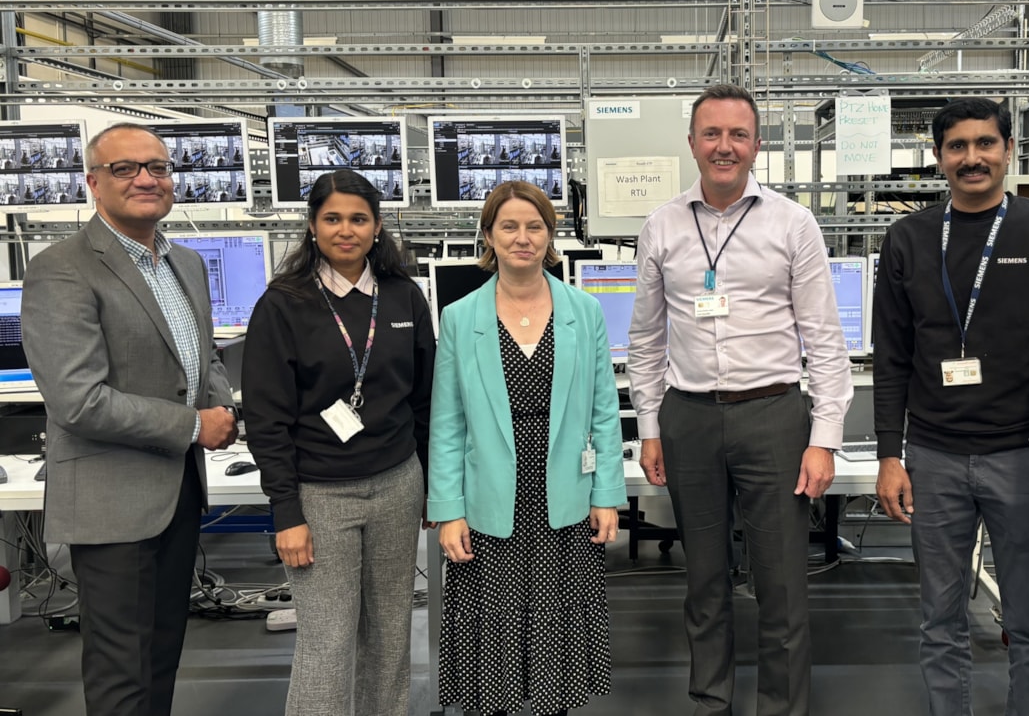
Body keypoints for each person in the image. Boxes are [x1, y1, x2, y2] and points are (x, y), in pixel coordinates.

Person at [628, 83, 853, 716]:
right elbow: (645, 340)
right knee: (704, 581)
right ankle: (711, 703)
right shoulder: (663, 225)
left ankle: (781, 708)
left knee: (781, 585)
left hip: (775, 415)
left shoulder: (792, 222)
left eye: (738, 135)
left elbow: (825, 342)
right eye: (711, 134)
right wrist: (649, 427)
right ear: (692, 142)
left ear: (757, 144)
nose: (724, 147)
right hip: (689, 418)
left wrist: (823, 438)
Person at [871, 97, 1029, 716]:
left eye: (984, 144)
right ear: (938, 157)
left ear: (1007, 149)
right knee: (939, 621)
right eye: (957, 147)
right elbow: (890, 358)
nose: (972, 158)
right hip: (934, 458)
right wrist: (892, 455)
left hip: (1025, 459)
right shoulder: (909, 238)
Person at [21, 122, 238, 716]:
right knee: (121, 669)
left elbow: (202, 354)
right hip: (112, 500)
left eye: (157, 167)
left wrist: (222, 406)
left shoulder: (185, 262)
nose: (146, 178)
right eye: (125, 169)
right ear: (93, 182)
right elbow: (78, 399)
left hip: (177, 493)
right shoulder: (62, 268)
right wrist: (194, 427)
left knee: (161, 654)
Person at [242, 169, 435, 716]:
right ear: (312, 226)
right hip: (319, 496)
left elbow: (423, 400)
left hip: (397, 483)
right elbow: (266, 418)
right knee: (328, 639)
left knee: (391, 633)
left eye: (358, 218)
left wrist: (430, 487)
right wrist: (286, 512)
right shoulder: (283, 305)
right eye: (332, 218)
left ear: (377, 227)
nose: (345, 230)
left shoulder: (403, 297)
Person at [430, 179, 624, 716]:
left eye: (534, 226)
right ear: (488, 235)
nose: (522, 238)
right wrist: (447, 511)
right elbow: (447, 426)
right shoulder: (460, 317)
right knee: (490, 639)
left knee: (555, 643)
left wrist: (606, 494)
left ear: (550, 234)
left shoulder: (583, 312)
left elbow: (604, 413)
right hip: (490, 501)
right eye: (509, 226)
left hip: (564, 497)